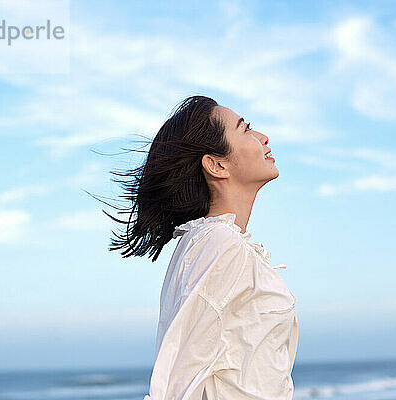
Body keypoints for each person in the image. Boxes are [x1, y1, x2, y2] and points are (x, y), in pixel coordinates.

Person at [103, 95, 298, 399]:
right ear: (217, 164)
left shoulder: (209, 243)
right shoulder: (219, 246)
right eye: (245, 130)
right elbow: (178, 375)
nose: (262, 137)